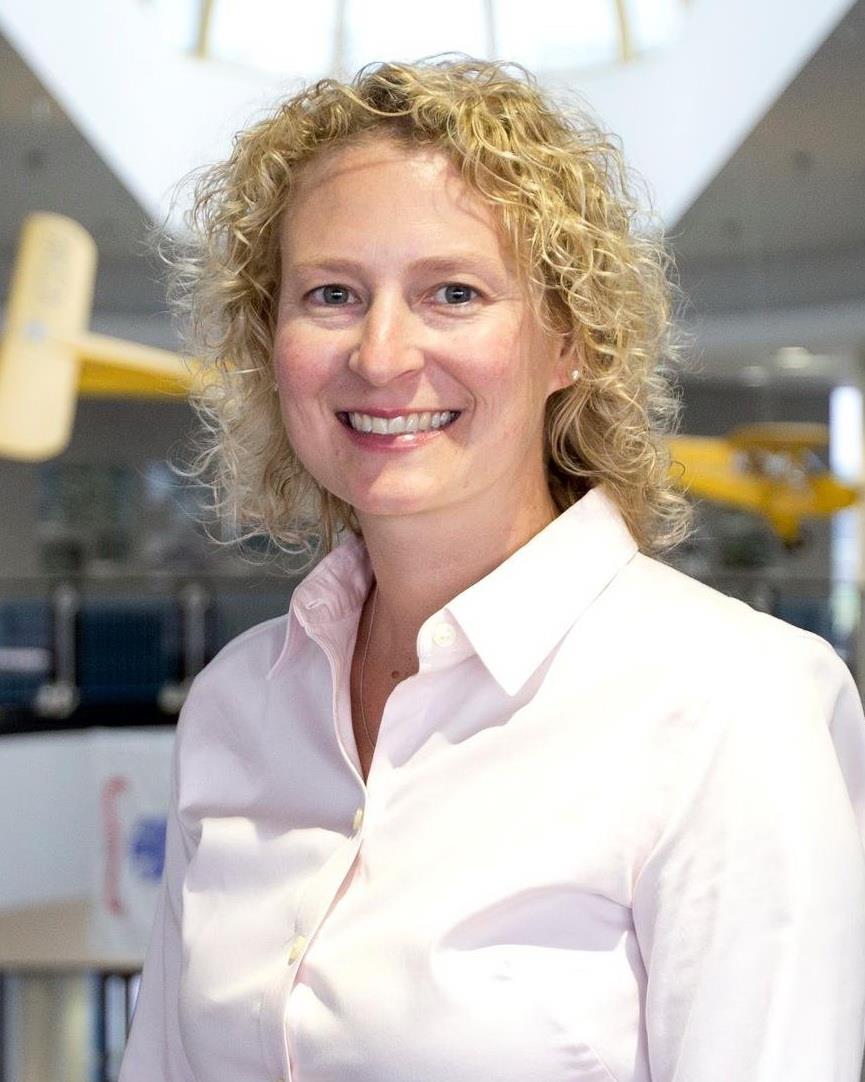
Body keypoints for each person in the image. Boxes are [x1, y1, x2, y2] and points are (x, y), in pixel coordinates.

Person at [119, 58, 865, 1082]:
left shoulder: (733, 703)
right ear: (269, 339)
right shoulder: (238, 702)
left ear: (571, 341)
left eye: (454, 293)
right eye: (332, 294)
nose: (381, 355)